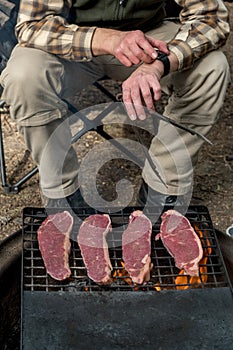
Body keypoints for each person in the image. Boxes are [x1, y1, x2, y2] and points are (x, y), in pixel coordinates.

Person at [0, 0, 230, 215]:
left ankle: (163, 189)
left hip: (149, 38)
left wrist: (160, 63)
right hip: (71, 37)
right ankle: (63, 194)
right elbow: (33, 25)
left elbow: (212, 18)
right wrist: (108, 39)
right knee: (24, 76)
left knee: (212, 67)